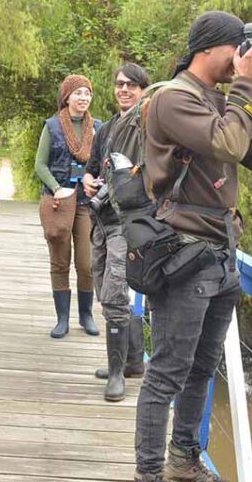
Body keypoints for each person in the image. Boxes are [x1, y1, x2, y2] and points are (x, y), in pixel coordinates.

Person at [134, 11, 252, 482]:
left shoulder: (219, 99)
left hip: (222, 256)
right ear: (208, 49)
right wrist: (246, 85)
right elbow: (226, 143)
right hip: (184, 255)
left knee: (202, 368)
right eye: (238, 49)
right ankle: (148, 473)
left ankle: (183, 459)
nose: (244, 58)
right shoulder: (173, 99)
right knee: (166, 372)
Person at [82, 63, 150, 402]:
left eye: (131, 85)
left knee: (114, 294)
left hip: (129, 225)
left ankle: (117, 373)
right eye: (119, 84)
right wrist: (88, 181)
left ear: (142, 91)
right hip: (102, 220)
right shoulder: (106, 129)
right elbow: (92, 168)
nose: (123, 90)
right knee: (102, 288)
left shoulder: (148, 128)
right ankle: (134, 361)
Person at [36, 74, 102, 338]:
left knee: (86, 264)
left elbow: (102, 162)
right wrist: (56, 187)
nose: (83, 98)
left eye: (87, 93)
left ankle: (86, 315)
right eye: (78, 93)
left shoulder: (98, 126)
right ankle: (61, 319)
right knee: (60, 261)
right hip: (59, 201)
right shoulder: (52, 126)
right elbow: (40, 164)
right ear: (67, 96)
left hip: (86, 202)